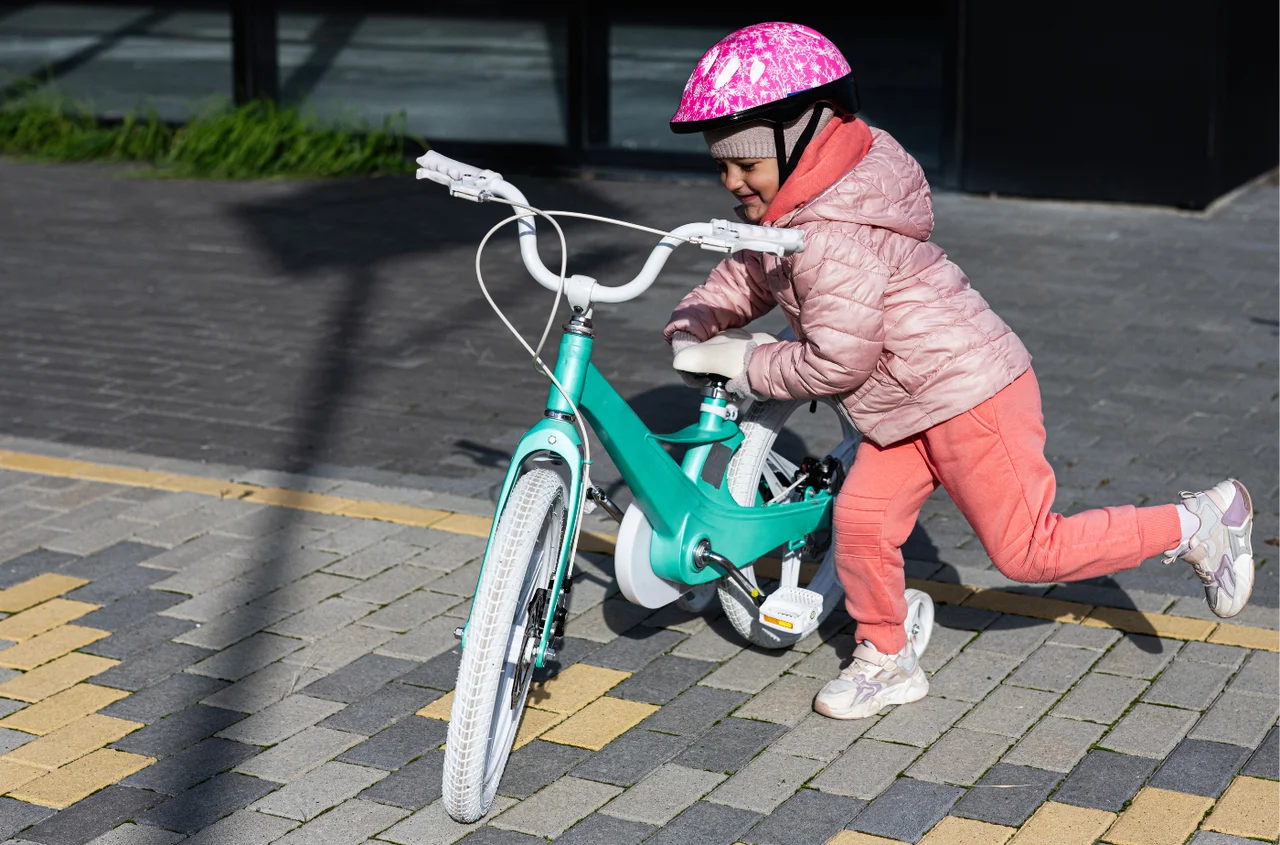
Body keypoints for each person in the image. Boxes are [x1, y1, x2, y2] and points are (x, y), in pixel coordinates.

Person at [663, 22, 1255, 720]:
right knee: (862, 522)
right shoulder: (794, 213)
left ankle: (1200, 522)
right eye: (721, 165)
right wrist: (694, 322)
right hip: (902, 408)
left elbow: (837, 361)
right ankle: (887, 658)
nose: (732, 181)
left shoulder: (832, 235)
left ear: (803, 139)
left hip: (970, 395)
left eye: (746, 164)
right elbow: (749, 274)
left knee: (1027, 552)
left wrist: (745, 361)